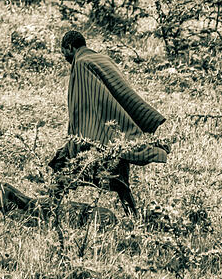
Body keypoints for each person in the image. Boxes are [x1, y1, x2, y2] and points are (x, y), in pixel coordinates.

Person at [50, 30, 167, 216]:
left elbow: (80, 106)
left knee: (62, 168)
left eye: (63, 52)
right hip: (115, 132)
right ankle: (133, 217)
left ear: (70, 47)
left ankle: (49, 211)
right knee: (120, 181)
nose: (64, 57)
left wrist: (76, 137)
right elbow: (122, 92)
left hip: (93, 135)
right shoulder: (102, 59)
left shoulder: (81, 64)